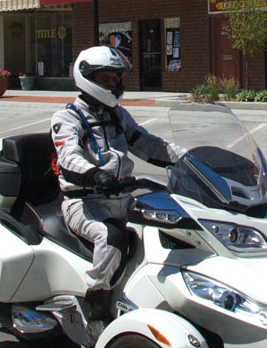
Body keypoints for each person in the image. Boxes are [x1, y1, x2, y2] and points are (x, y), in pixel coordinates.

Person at [51, 46, 186, 320]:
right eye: (106, 79)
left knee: (167, 230)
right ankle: (96, 303)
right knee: (111, 238)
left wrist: (188, 159)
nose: (112, 85)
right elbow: (68, 157)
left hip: (122, 198)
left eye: (115, 79)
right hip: (85, 202)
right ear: (87, 77)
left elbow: (148, 144)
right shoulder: (67, 118)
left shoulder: (117, 115)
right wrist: (95, 175)